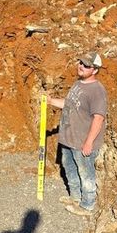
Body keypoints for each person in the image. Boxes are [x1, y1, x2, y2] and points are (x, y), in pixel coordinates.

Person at [48, 52, 107, 217]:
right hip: (69, 138)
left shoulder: (97, 91)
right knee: (69, 167)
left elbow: (98, 118)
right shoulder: (78, 84)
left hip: (82, 142)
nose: (81, 66)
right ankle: (75, 198)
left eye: (86, 65)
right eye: (80, 62)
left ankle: (87, 206)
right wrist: (51, 101)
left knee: (85, 173)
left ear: (95, 70)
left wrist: (89, 142)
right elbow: (69, 104)